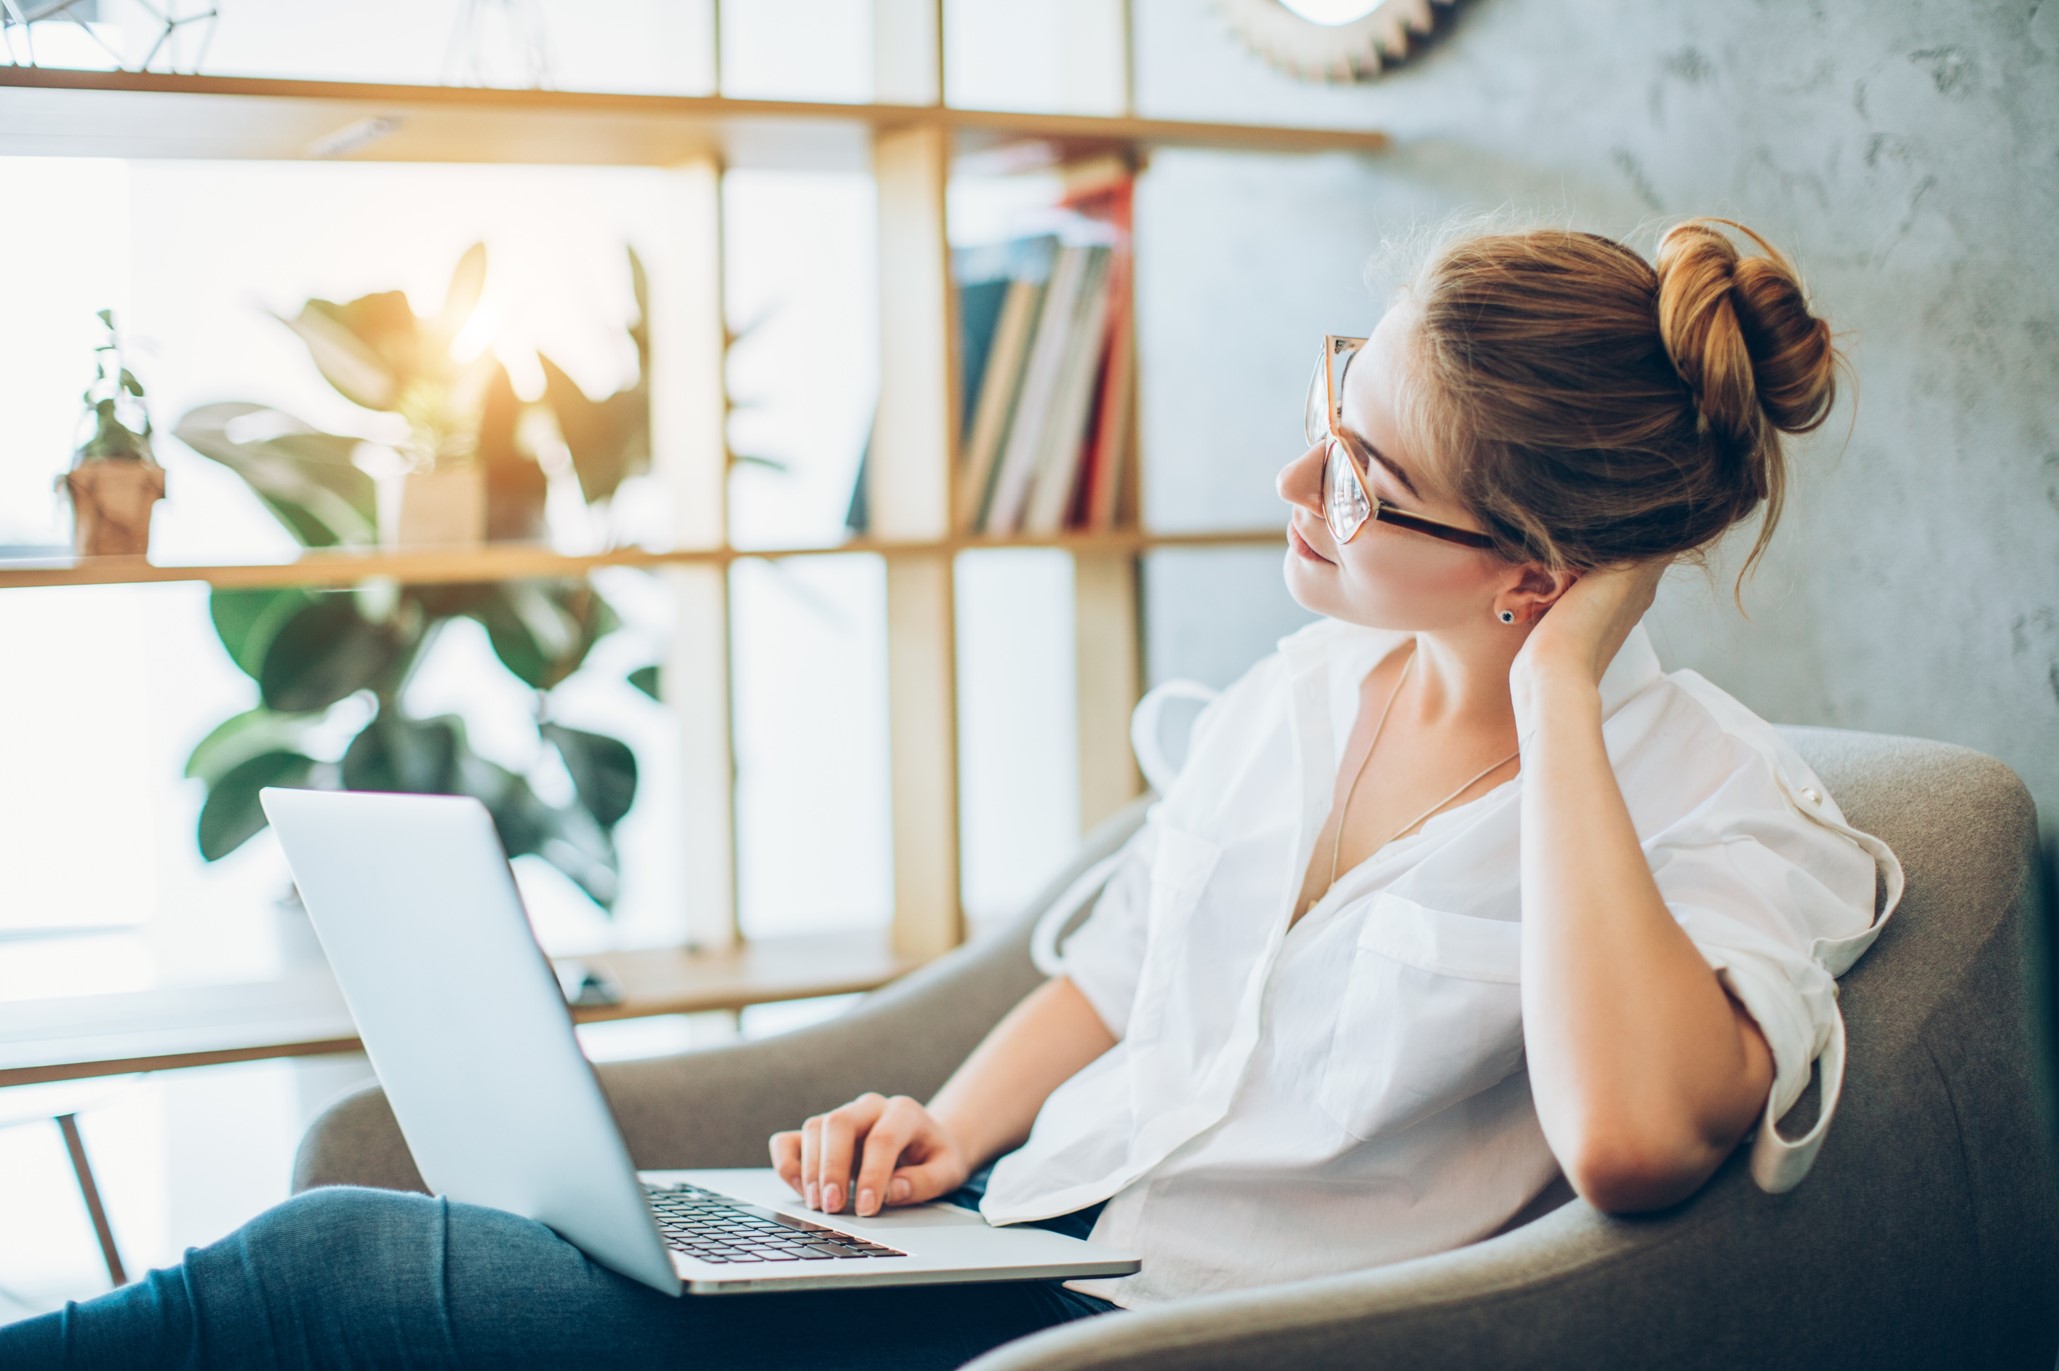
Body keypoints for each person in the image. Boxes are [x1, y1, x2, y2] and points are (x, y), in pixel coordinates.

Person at [0, 215, 1899, 1368]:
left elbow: (1640, 1141)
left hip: (1139, 1346)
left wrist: (1557, 694)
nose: (1291, 486)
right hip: (1002, 1246)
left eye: (1359, 475)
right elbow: (1125, 968)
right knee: (346, 1260)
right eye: (1334, 408)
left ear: (1537, 572)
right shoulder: (1310, 694)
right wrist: (940, 1130)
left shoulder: (1713, 812)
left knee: (330, 1277)